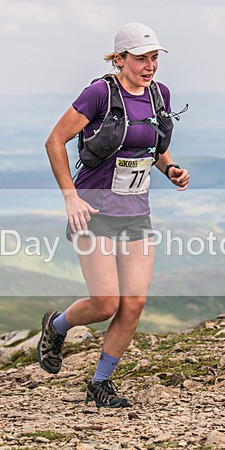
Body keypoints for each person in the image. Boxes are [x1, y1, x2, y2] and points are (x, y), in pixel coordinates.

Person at [40, 22, 189, 408]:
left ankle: (100, 383)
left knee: (134, 303)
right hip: (94, 211)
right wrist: (70, 198)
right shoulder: (99, 95)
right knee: (106, 303)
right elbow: (54, 141)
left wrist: (171, 169)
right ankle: (57, 326)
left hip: (136, 213)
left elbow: (153, 146)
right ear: (119, 59)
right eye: (141, 59)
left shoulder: (159, 95)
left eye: (154, 58)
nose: (149, 66)